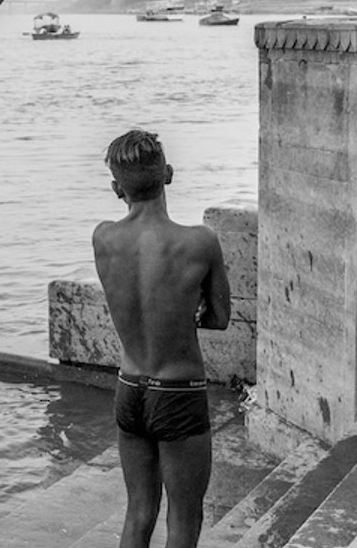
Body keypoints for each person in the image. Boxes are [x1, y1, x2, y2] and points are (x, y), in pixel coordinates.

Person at [91, 130, 231, 548]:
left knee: (139, 512)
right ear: (168, 174)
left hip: (130, 388)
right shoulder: (199, 242)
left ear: (118, 189)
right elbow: (221, 318)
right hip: (179, 392)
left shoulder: (103, 237)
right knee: (184, 520)